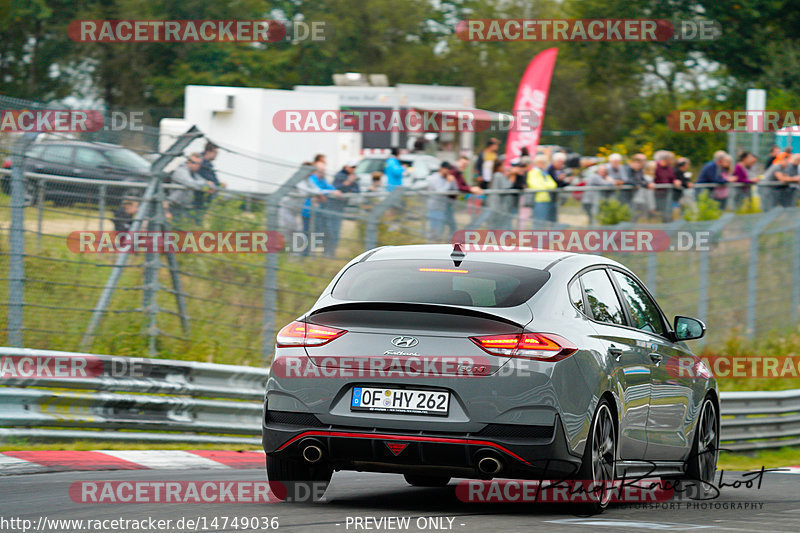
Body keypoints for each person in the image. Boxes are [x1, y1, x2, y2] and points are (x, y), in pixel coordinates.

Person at [299, 158, 342, 257]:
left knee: (316, 234)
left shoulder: (320, 179)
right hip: (308, 211)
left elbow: (325, 188)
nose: (324, 172)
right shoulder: (312, 179)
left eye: (324, 170)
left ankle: (312, 254)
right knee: (308, 233)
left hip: (317, 211)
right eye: (322, 170)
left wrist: (334, 191)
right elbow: (316, 191)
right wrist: (328, 192)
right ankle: (305, 254)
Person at [326, 160, 360, 257]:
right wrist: (348, 183)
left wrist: (348, 187)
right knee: (331, 230)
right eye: (352, 167)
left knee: (336, 230)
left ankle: (332, 252)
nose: (353, 169)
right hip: (332, 207)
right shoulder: (339, 176)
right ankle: (329, 252)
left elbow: (356, 190)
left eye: (355, 168)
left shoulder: (353, 177)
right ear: (346, 167)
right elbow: (336, 188)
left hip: (340, 207)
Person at [169, 153, 214, 228]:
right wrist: (205, 183)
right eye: (194, 163)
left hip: (184, 206)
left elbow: (201, 182)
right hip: (174, 205)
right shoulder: (181, 171)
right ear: (188, 162)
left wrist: (209, 185)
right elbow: (190, 183)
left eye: (199, 164)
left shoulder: (194, 174)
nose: (196, 165)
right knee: (174, 228)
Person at [427, 162, 458, 241]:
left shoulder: (447, 178)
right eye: (446, 170)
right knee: (434, 230)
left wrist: (452, 181)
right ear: (441, 168)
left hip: (444, 208)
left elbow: (455, 190)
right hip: (435, 208)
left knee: (441, 230)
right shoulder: (435, 178)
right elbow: (441, 192)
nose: (448, 172)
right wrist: (448, 182)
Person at [486, 157, 516, 228]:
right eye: (503, 165)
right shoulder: (498, 175)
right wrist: (512, 176)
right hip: (497, 205)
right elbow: (506, 187)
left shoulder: (497, 175)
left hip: (496, 204)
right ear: (499, 167)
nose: (504, 167)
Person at [526, 154, 558, 222]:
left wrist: (545, 186)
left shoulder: (544, 173)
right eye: (540, 162)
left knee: (546, 222)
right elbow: (536, 186)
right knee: (539, 222)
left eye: (544, 162)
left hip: (547, 199)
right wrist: (547, 186)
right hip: (538, 200)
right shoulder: (533, 172)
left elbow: (553, 184)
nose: (543, 164)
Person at [194, 142, 223, 210]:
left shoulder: (208, 165)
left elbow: (215, 181)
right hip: (198, 197)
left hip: (203, 197)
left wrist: (217, 185)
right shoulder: (200, 163)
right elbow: (207, 179)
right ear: (208, 152)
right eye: (215, 152)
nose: (216, 155)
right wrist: (212, 184)